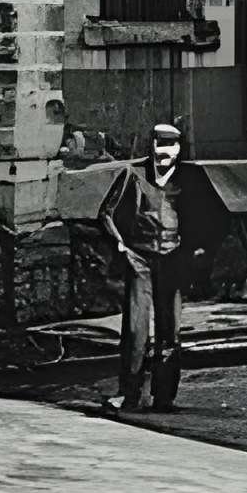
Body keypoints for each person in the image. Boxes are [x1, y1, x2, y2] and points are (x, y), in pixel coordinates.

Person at [96, 121, 217, 412]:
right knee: (136, 330)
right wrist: (121, 247)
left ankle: (165, 397)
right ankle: (130, 394)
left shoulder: (190, 179)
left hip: (172, 260)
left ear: (178, 149)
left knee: (170, 331)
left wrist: (197, 250)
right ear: (151, 146)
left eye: (171, 146)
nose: (165, 153)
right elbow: (106, 214)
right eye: (160, 145)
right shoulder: (133, 174)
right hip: (139, 260)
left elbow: (210, 215)